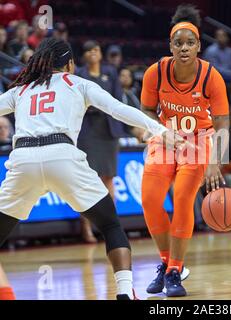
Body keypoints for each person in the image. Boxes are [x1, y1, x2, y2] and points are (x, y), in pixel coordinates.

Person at [0, 38, 185, 300]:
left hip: (23, 159)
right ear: (70, 64)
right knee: (110, 224)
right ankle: (124, 292)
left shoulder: (21, 90)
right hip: (62, 155)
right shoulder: (78, 84)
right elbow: (118, 109)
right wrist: (160, 130)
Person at [140, 4, 229, 297]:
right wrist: (160, 132)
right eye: (178, 43)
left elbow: (222, 122)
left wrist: (215, 161)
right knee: (151, 200)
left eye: (190, 43)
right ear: (170, 46)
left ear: (199, 46)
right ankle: (166, 264)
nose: (184, 48)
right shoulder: (156, 72)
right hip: (166, 138)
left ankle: (175, 270)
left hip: (199, 141)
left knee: (182, 199)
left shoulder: (211, 76)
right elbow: (147, 111)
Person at [76, 40, 126, 243]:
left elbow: (117, 99)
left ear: (100, 53)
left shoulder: (111, 72)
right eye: (88, 51)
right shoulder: (78, 74)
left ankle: (111, 227)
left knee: (109, 179)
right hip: (87, 132)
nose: (93, 53)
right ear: (84, 56)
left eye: (96, 49)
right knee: (88, 181)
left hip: (108, 132)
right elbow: (78, 102)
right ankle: (86, 228)